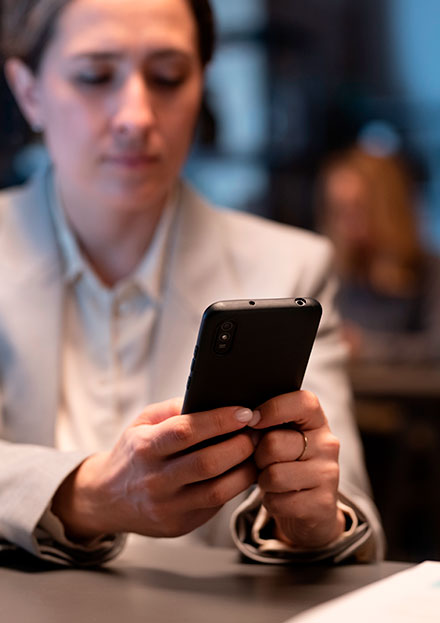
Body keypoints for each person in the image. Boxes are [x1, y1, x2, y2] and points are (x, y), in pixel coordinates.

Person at [0, 0, 383, 567]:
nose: (136, 116)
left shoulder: (287, 266)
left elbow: (352, 520)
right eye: (95, 76)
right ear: (28, 91)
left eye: (168, 77)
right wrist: (88, 497)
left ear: (201, 85)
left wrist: (314, 519)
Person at [316, 144, 440, 364]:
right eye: (338, 210)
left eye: (358, 208)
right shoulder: (334, 272)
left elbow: (434, 347)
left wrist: (365, 346)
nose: (347, 224)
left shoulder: (428, 271)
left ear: (386, 207)